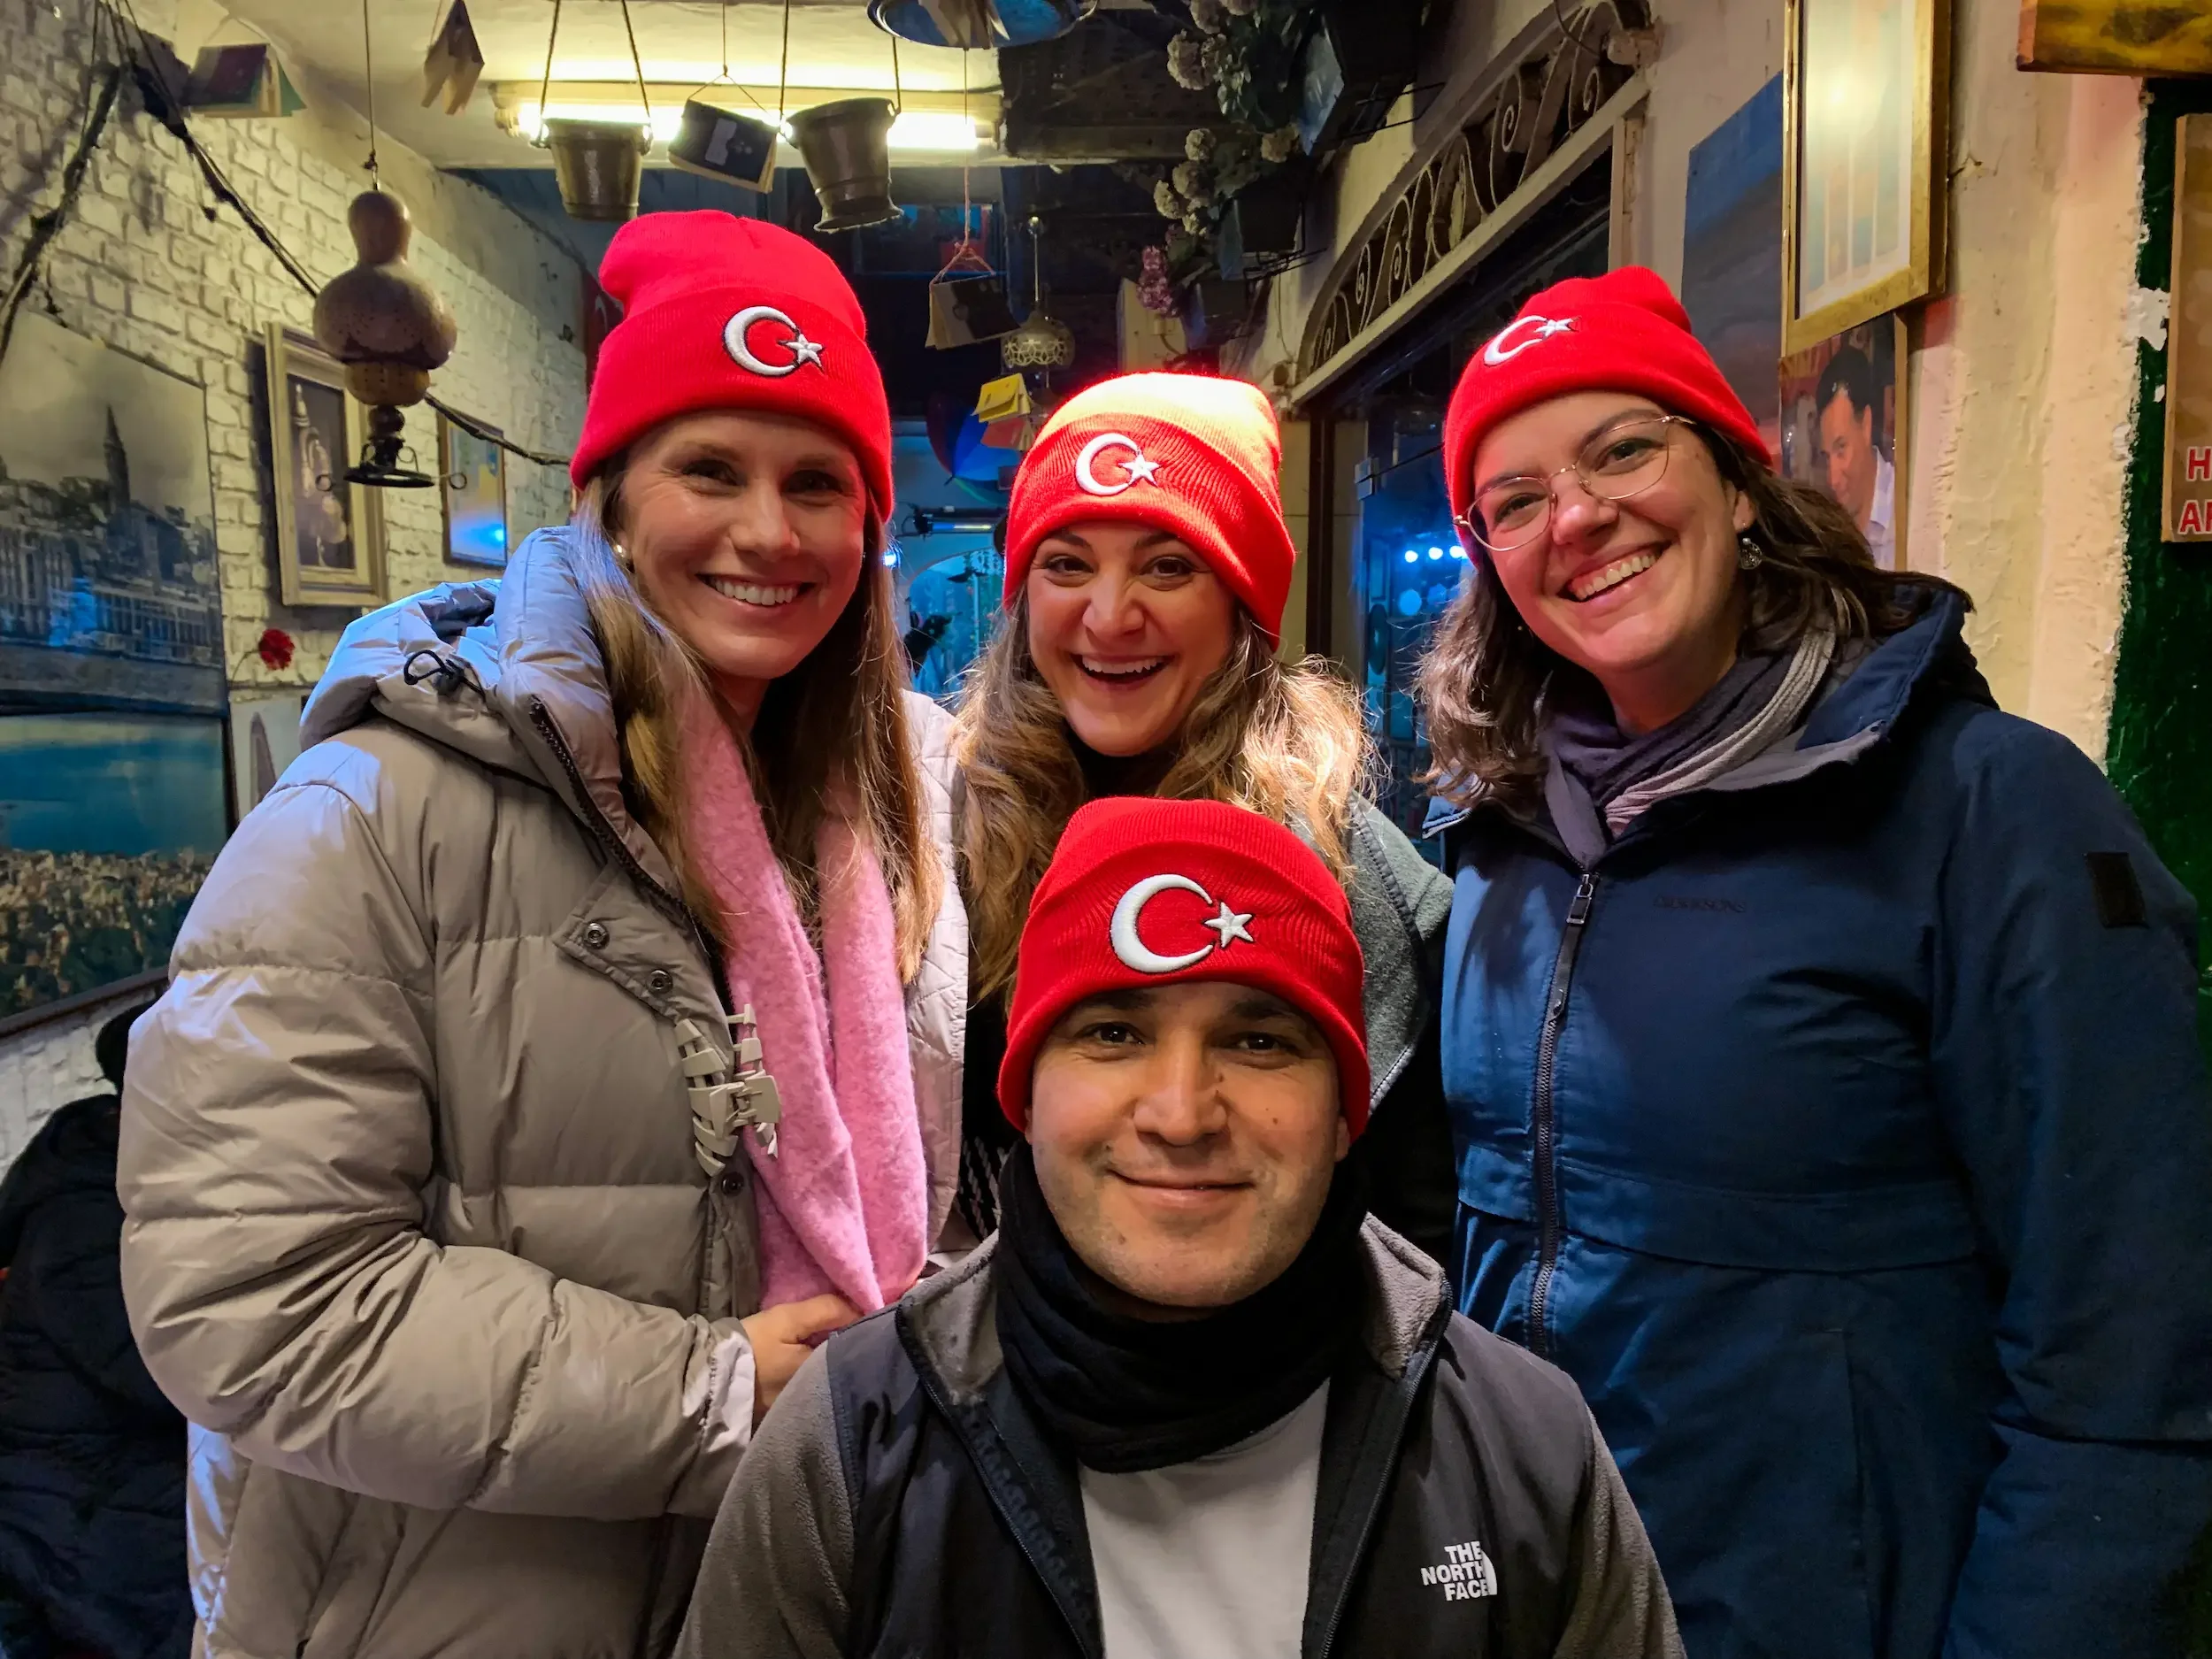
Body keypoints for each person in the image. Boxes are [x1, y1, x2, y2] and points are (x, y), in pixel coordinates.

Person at [116, 211, 966, 1659]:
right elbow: (251, 1294)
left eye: (818, 482)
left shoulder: (896, 828)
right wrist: (715, 1388)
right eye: (712, 468)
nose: (771, 532)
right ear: (612, 502)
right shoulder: (374, 814)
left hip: (783, 1594)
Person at [1421, 265, 2212, 1658]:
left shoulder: (1987, 811)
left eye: (1623, 449)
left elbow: (2126, 1348)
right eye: (1518, 498)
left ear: (1737, 480)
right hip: (1542, 1607)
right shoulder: (1495, 845)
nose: (1580, 517)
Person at [675, 797, 1683, 1659]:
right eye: (1113, 1034)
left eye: (1257, 1039)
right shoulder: (851, 1450)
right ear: (1025, 1097)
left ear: (1344, 1115)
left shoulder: (1524, 1453)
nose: (1182, 1112)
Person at [952, 372, 1455, 1269]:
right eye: (1066, 564)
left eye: (1167, 565)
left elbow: (1411, 1228)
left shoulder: (1349, 881)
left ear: (1242, 603)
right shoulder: (930, 843)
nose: (1109, 617)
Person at [0, 1001, 189, 1659]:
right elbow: (181, 1374)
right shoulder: (76, 1219)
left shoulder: (148, 1183)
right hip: (85, 1520)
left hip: (129, 1484)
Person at [1814, 345, 1893, 566]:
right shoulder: (1831, 528)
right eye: (1827, 457)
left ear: (1866, 424)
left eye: (1841, 449)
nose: (1833, 479)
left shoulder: (1906, 504)